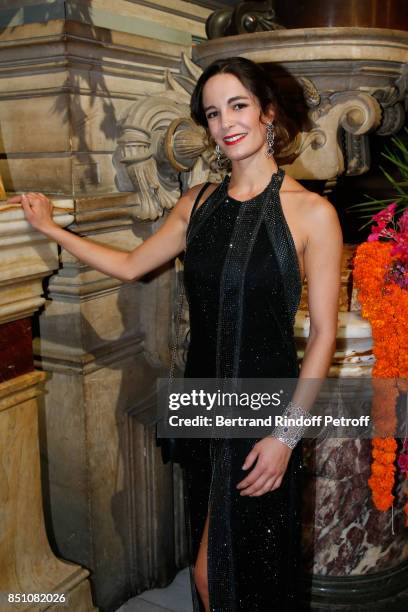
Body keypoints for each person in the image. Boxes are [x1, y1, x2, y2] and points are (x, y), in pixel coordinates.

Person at [9, 57, 342, 611]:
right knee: (213, 570)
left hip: (264, 416)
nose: (225, 122)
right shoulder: (197, 203)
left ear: (267, 113)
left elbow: (325, 335)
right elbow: (132, 264)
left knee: (237, 574)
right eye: (212, 113)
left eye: (237, 105)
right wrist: (49, 230)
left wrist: (286, 436)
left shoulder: (313, 214)